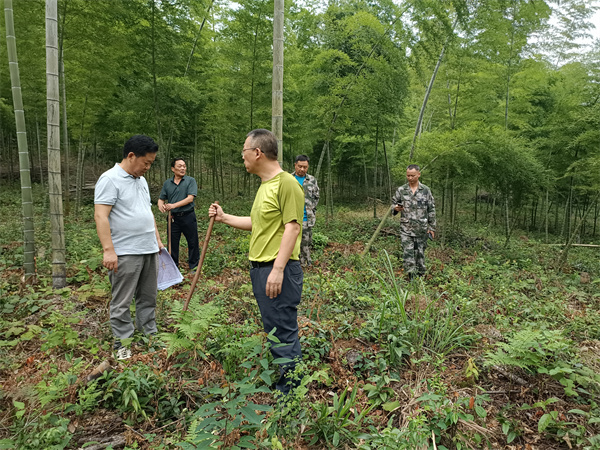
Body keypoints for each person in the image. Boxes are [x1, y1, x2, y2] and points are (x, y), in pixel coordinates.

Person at [209, 129, 304, 395]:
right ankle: (287, 384)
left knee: (283, 331)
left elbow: (293, 227)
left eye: (244, 152)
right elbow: (258, 224)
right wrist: (225, 218)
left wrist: (278, 269)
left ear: (258, 152)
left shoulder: (287, 183)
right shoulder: (265, 186)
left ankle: (291, 394)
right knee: (274, 328)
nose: (243, 157)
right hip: (262, 269)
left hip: (277, 269)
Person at [94, 135, 165, 360]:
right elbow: (101, 215)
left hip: (148, 248)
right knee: (122, 301)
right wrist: (108, 250)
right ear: (131, 156)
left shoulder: (141, 180)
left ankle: (149, 336)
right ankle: (122, 343)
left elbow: (147, 211)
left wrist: (157, 239)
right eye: (146, 162)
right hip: (125, 251)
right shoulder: (110, 179)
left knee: (148, 296)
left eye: (151, 163)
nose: (148, 168)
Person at [391, 164, 436, 279]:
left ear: (418, 174)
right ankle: (411, 276)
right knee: (408, 253)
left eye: (412, 176)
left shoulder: (426, 190)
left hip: (421, 228)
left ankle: (420, 276)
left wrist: (432, 228)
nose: (410, 178)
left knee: (420, 253)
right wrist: (395, 208)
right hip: (406, 228)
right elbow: (393, 204)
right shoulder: (401, 190)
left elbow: (431, 209)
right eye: (408, 176)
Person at [158, 158, 200, 271]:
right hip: (173, 218)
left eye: (184, 166)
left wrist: (173, 205)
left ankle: (194, 266)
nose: (183, 168)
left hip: (188, 216)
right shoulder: (167, 183)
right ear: (173, 169)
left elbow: (190, 198)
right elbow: (161, 198)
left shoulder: (190, 181)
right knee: (172, 243)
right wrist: (160, 205)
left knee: (193, 241)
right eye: (180, 166)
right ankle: (173, 267)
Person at [291, 155, 319, 266]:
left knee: (305, 243)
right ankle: (293, 263)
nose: (302, 169)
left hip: (307, 219)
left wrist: (311, 210)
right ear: (295, 165)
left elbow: (316, 197)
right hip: (291, 218)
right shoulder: (289, 179)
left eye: (305, 167)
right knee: (292, 242)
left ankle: (306, 263)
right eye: (300, 166)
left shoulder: (312, 180)